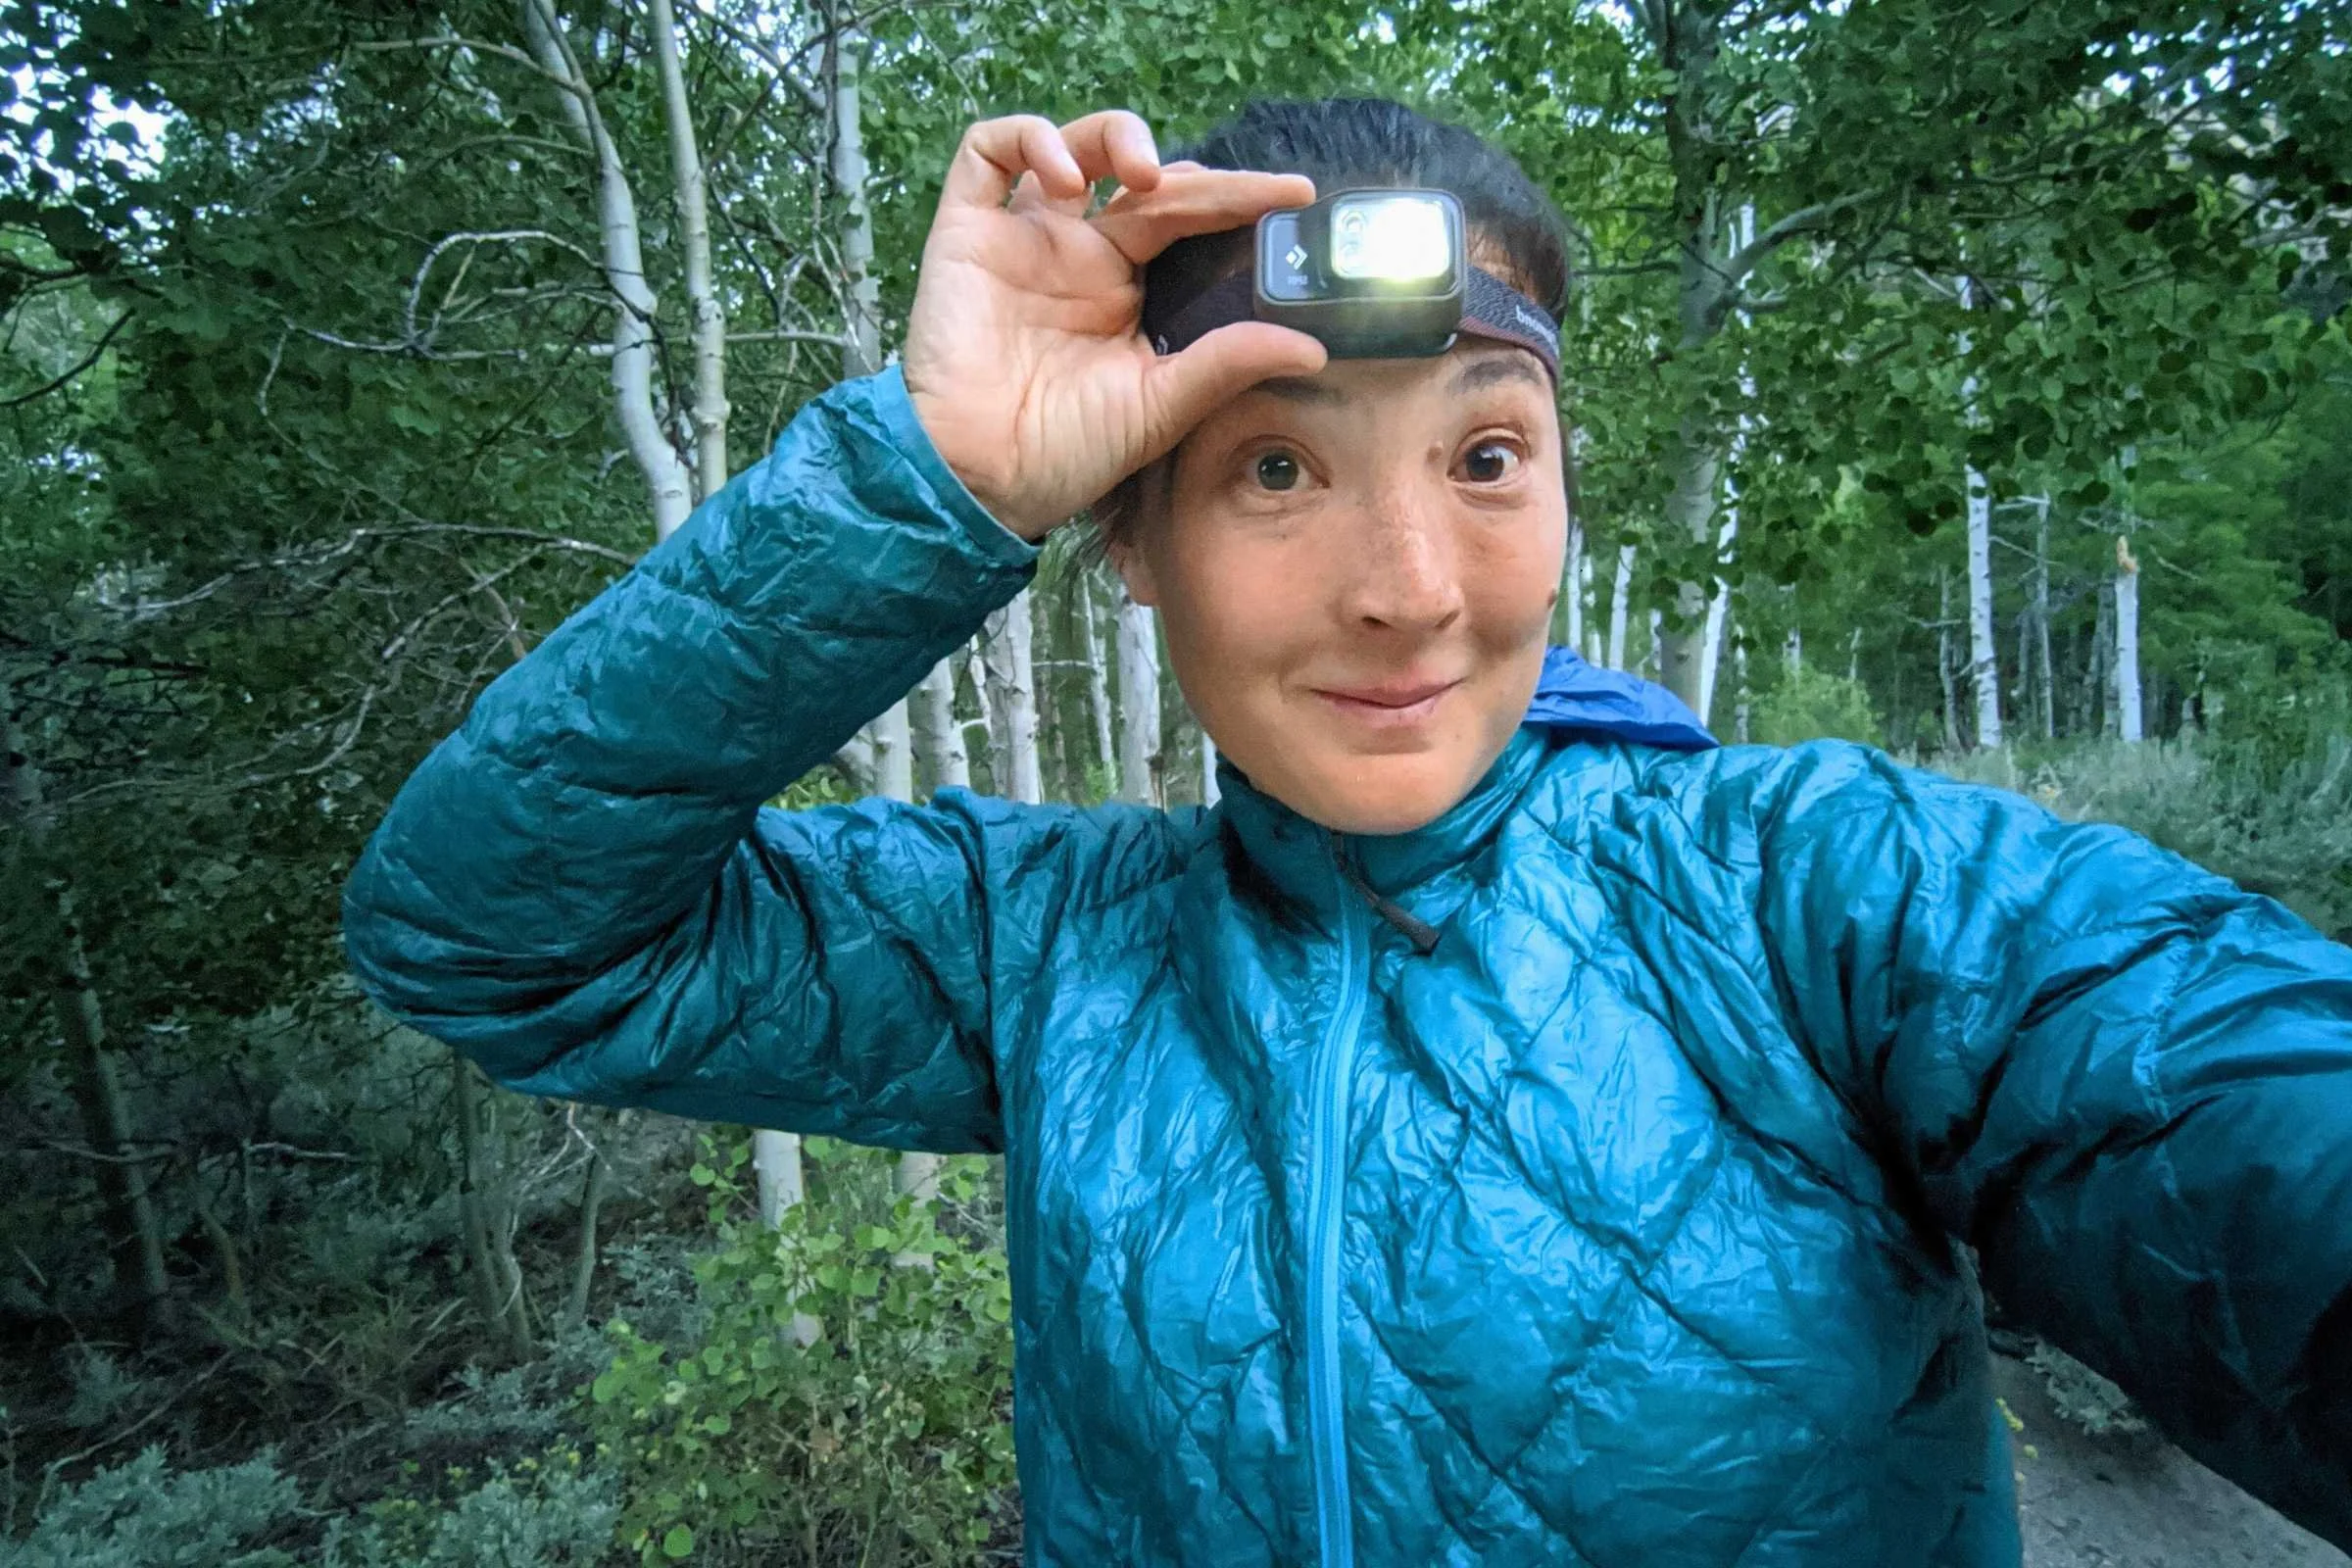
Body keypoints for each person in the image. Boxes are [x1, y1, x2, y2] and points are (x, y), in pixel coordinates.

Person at [341, 97, 2352, 1567]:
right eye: (1279, 467)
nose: (1410, 586)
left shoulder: (1819, 893)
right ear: (1129, 538)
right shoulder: (1043, 949)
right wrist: (932, 475)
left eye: (1487, 453)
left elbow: (2240, 1111)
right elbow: (496, 933)